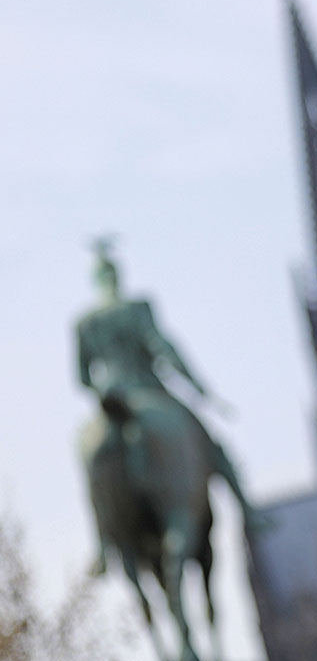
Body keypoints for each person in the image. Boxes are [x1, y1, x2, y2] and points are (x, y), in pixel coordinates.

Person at [76, 241, 263, 572]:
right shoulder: (136, 307)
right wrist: (199, 388)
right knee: (208, 443)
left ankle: (103, 544)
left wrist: (107, 387)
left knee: (87, 457)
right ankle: (247, 509)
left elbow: (81, 379)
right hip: (148, 390)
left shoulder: (86, 322)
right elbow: (164, 348)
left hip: (111, 401)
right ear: (117, 276)